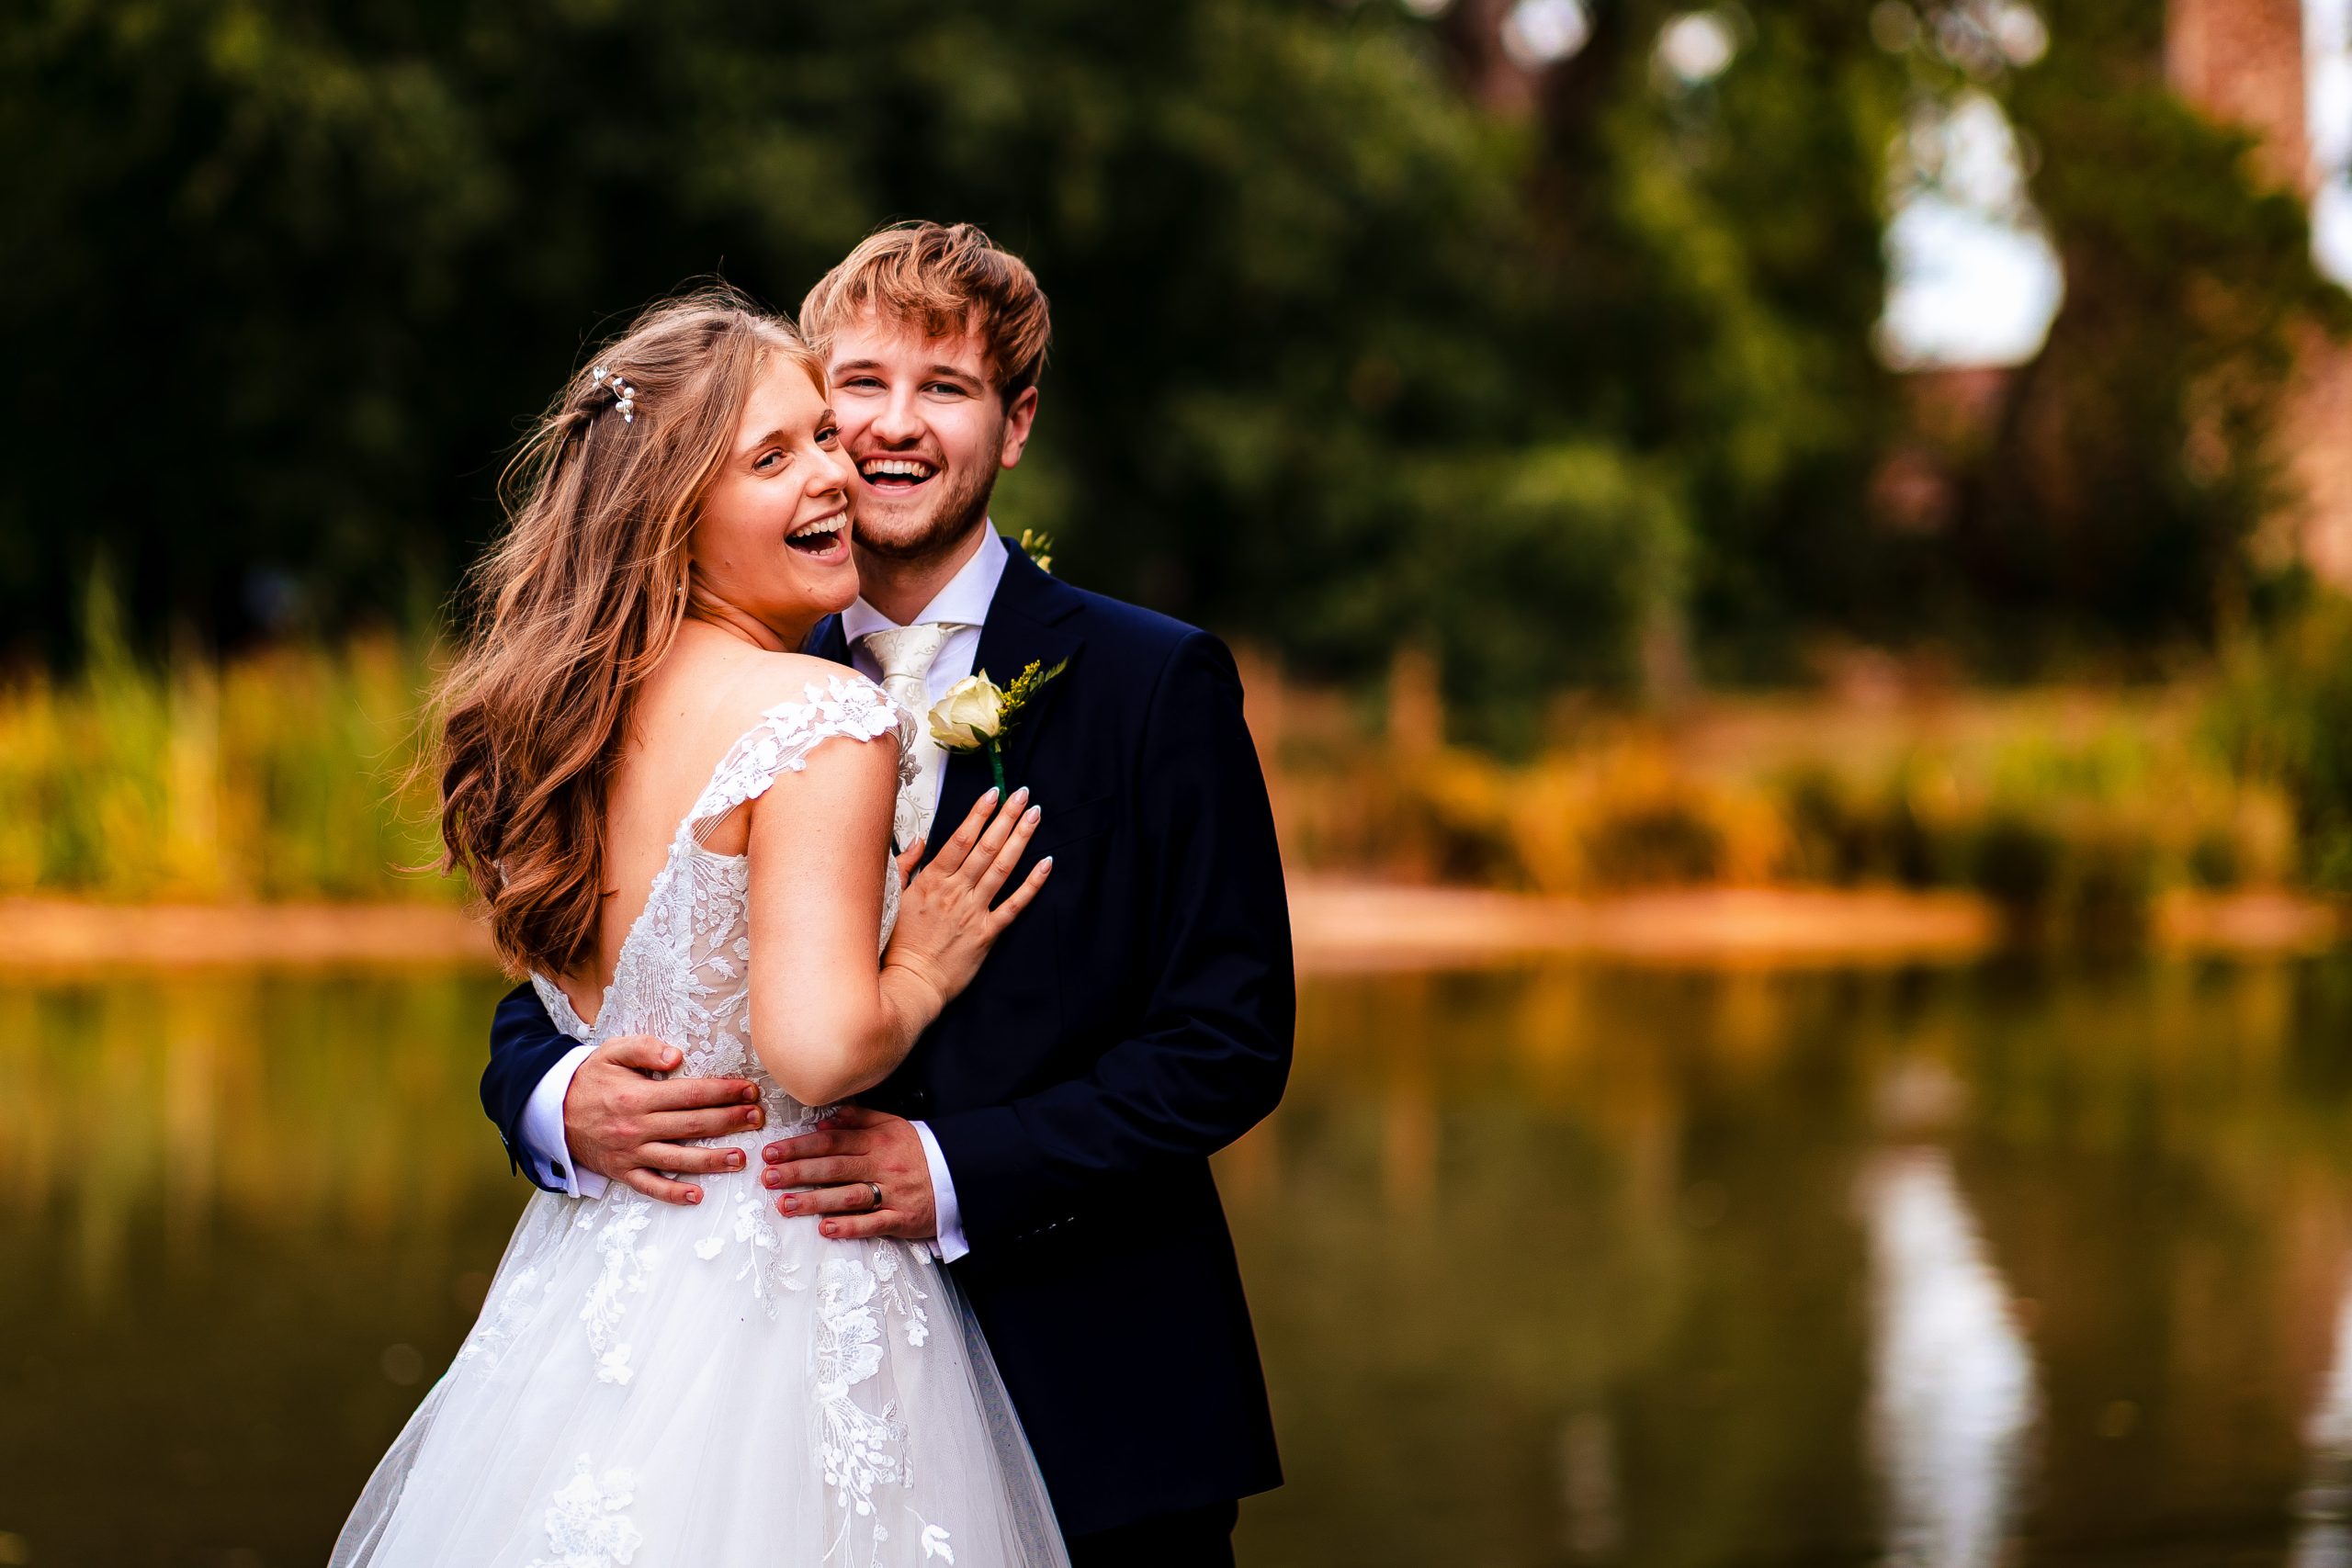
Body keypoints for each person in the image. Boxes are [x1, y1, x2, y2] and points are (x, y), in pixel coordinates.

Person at [483, 223, 1295, 1567]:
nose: (888, 431)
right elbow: (568, 966)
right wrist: (561, 1099)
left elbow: (1227, 1041)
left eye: (947, 388)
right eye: (857, 385)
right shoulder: (703, 673)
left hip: (1090, 1388)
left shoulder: (1157, 684)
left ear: (1016, 422)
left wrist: (952, 1169)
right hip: (740, 1403)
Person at [335, 287, 1070, 1567]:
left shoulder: (565, 719)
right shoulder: (821, 715)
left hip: (593, 1298)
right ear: (672, 513)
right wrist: (922, 964)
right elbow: (819, 1050)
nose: (833, 474)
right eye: (771, 458)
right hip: (786, 1287)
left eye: (819, 440)